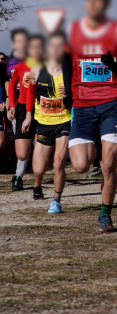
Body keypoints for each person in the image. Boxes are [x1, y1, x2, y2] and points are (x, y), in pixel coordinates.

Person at [66, 0, 117, 233]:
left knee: (108, 165)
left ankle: (105, 214)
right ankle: (101, 142)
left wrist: (113, 64)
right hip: (83, 106)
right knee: (80, 166)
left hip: (111, 103)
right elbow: (66, 64)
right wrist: (67, 96)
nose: (93, 4)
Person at [23, 31, 73, 211]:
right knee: (38, 169)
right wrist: (28, 116)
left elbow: (80, 93)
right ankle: (38, 184)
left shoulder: (71, 71)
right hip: (43, 122)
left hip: (64, 120)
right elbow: (28, 92)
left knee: (58, 163)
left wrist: (69, 92)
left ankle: (56, 201)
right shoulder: (36, 69)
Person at [8, 33, 43, 193]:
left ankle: (32, 178)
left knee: (41, 148)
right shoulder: (21, 66)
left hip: (44, 108)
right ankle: (19, 174)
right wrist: (13, 105)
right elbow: (11, 84)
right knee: (22, 153)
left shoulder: (47, 65)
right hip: (23, 107)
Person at [3, 28, 29, 188]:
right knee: (21, 140)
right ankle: (18, 176)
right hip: (17, 105)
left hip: (36, 105)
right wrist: (9, 101)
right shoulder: (8, 62)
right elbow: (7, 82)